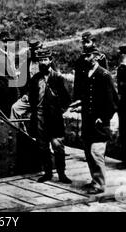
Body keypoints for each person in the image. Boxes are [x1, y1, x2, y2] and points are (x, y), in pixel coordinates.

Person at [75, 47, 118, 194]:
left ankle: (100, 184)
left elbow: (114, 101)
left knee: (96, 152)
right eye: (85, 56)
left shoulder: (105, 75)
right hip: (87, 120)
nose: (86, 59)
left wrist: (104, 117)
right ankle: (94, 181)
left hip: (99, 123)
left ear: (97, 57)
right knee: (88, 152)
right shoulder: (85, 74)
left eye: (89, 56)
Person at [27, 49, 72, 184]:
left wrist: (58, 112)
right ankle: (47, 173)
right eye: (41, 60)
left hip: (54, 117)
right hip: (39, 116)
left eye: (45, 59)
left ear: (50, 60)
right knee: (43, 146)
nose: (43, 62)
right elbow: (32, 98)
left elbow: (66, 99)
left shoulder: (58, 78)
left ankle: (61, 173)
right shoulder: (35, 79)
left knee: (57, 145)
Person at [10, 40, 43, 130]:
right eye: (34, 50)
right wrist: (25, 94)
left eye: (38, 49)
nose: (36, 52)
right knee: (15, 108)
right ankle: (16, 133)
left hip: (44, 97)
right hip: (30, 97)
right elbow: (21, 82)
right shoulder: (27, 63)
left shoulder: (46, 62)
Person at [73, 32, 108, 103]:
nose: (85, 45)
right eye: (83, 42)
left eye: (87, 42)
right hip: (85, 94)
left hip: (98, 92)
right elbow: (77, 81)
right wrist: (77, 98)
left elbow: (106, 78)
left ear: (93, 42)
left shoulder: (101, 57)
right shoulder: (80, 59)